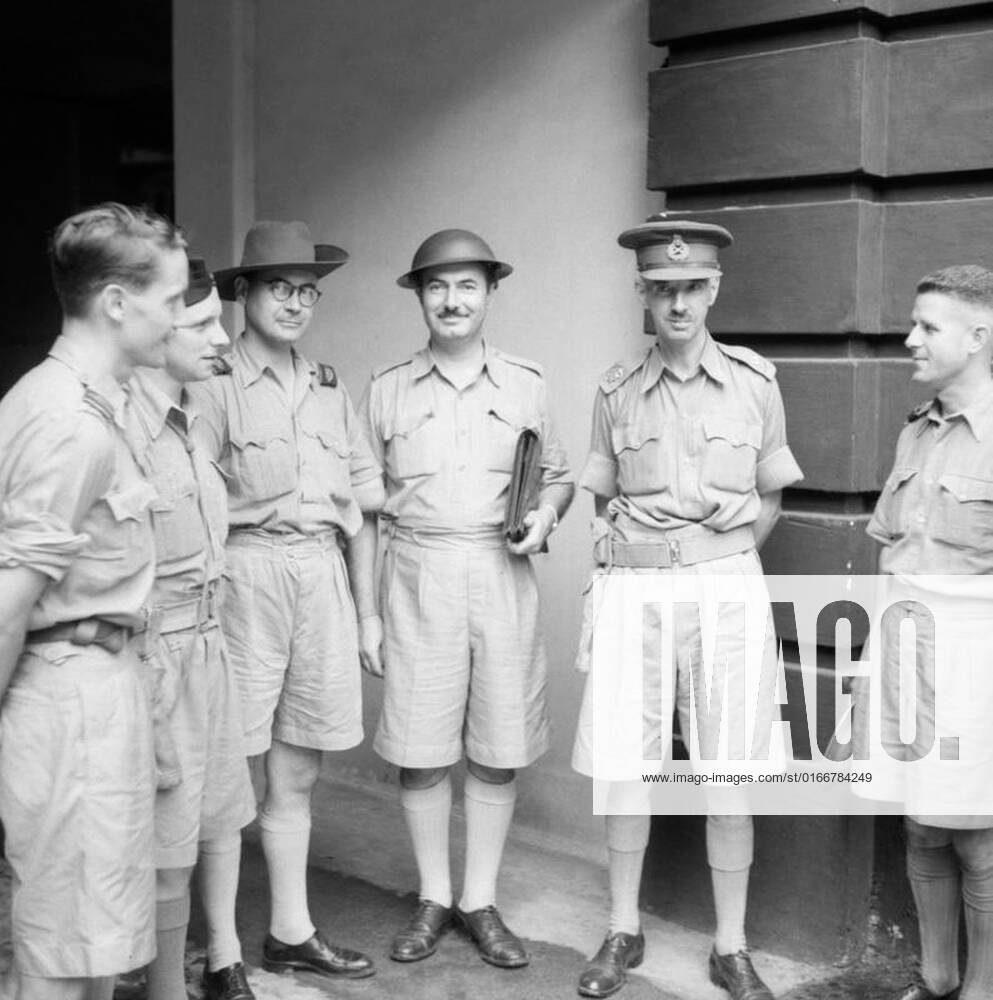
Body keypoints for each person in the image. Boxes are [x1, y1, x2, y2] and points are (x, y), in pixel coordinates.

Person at [571, 216, 803, 999]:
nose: (677, 304)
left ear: (713, 289)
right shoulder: (614, 390)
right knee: (627, 766)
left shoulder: (754, 382)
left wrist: (720, 561)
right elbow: (596, 502)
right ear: (642, 291)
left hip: (724, 586)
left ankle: (729, 944)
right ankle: (621, 927)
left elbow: (769, 497)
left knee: (728, 766)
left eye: (691, 288)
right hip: (635, 587)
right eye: (662, 289)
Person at [359, 229, 574, 970]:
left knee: (497, 746)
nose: (452, 301)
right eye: (437, 287)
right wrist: (368, 612)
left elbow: (560, 476)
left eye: (467, 287)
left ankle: (479, 901)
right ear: (420, 296)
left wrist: (544, 518)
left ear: (490, 294)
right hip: (417, 574)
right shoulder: (385, 387)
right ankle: (433, 897)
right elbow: (363, 510)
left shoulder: (526, 383)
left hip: (498, 574)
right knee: (420, 753)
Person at [0, 203, 188, 1000]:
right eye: (172, 300)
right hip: (67, 696)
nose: (178, 317)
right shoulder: (69, 423)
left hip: (93, 687)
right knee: (62, 952)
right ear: (116, 301)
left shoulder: (68, 398)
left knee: (90, 941)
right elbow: (9, 600)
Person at [189, 220, 383, 981]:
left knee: (298, 769)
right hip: (244, 579)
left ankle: (291, 930)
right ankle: (224, 954)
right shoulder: (210, 386)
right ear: (243, 294)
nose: (297, 303)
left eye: (308, 290)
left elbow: (362, 514)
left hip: (321, 580)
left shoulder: (331, 387)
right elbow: (196, 510)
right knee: (229, 770)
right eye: (279, 287)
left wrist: (367, 613)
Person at [123, 258, 257, 1000]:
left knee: (211, 821)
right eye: (202, 324)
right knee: (165, 850)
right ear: (156, 330)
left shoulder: (189, 421)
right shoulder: (120, 430)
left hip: (209, 644)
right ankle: (162, 987)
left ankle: (191, 971)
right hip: (158, 656)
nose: (222, 338)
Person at [866, 264, 993, 1000]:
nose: (910, 339)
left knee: (976, 833)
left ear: (977, 337)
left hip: (976, 659)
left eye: (927, 327)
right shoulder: (916, 430)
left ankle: (980, 988)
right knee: (920, 823)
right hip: (907, 647)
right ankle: (936, 975)